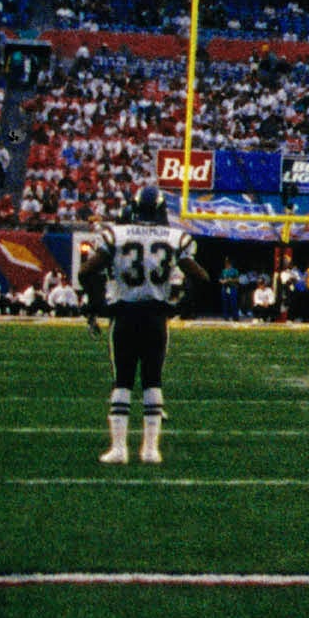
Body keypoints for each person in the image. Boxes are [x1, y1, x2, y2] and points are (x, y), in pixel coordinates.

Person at [85, 184, 187, 464]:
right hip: (156, 315)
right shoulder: (175, 236)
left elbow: (86, 271)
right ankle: (151, 450)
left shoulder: (115, 234)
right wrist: (179, 308)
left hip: (126, 313)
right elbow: (199, 277)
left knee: (123, 381)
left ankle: (119, 449)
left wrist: (97, 306)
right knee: (153, 380)